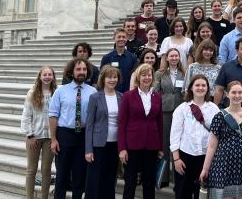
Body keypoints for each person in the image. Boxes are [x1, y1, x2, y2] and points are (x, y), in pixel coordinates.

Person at [49, 58, 97, 199]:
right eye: (78, 69)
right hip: (64, 135)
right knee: (62, 175)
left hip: (83, 136)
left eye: (84, 69)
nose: (81, 72)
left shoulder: (93, 91)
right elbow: (53, 115)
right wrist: (53, 139)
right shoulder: (60, 91)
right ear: (71, 72)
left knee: (79, 176)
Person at [199, 81, 242, 199]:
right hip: (223, 165)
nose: (237, 95)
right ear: (227, 94)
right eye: (233, 92)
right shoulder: (219, 116)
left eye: (240, 92)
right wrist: (205, 169)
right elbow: (212, 146)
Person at [118, 63, 164, 199]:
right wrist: (122, 148)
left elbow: (159, 123)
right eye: (143, 75)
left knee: (149, 183)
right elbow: (122, 123)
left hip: (152, 145)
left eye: (149, 75)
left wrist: (160, 148)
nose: (147, 78)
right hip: (132, 145)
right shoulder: (128, 96)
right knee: (130, 182)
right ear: (138, 77)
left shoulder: (157, 97)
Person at [170, 75, 219, 199]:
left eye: (204, 85)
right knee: (182, 193)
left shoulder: (214, 109)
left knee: (201, 194)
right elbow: (175, 135)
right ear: (191, 88)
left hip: (205, 158)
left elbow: (218, 134)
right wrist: (176, 159)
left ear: (208, 88)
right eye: (197, 85)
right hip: (185, 156)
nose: (200, 88)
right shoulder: (182, 109)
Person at [84, 66, 123, 199]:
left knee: (110, 179)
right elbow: (89, 125)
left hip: (115, 145)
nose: (112, 80)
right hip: (98, 145)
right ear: (103, 79)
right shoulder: (95, 97)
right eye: (109, 77)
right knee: (94, 180)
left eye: (115, 77)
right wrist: (88, 149)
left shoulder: (121, 97)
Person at [21, 66, 57, 199]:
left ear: (53, 77)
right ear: (40, 77)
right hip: (34, 136)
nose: (47, 77)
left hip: (49, 138)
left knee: (46, 170)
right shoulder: (32, 93)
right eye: (45, 74)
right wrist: (29, 135)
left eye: (50, 74)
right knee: (31, 170)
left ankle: (44, 197)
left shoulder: (57, 92)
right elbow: (26, 116)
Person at [154, 48, 186, 188]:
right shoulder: (160, 74)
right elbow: (155, 91)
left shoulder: (184, 73)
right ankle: (164, 177)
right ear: (166, 58)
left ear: (179, 58)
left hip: (180, 111)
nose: (174, 58)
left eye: (176, 56)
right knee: (165, 143)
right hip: (165, 111)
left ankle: (177, 179)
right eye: (171, 56)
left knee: (179, 143)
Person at [100, 28, 138, 94]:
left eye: (123, 37)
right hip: (111, 94)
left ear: (126, 39)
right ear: (114, 38)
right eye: (119, 37)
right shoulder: (106, 58)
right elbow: (102, 77)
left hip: (127, 94)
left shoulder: (133, 58)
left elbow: (135, 77)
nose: (121, 39)